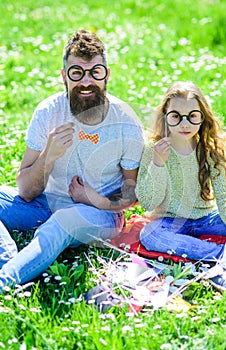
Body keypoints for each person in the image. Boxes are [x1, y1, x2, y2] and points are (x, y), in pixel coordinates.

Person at [0, 29, 144, 289]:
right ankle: (13, 263)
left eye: (95, 72)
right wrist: (49, 156)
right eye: (77, 73)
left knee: (62, 223)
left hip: (100, 214)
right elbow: (26, 191)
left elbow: (132, 193)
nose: (86, 82)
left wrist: (93, 198)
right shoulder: (48, 112)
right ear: (64, 76)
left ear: (106, 75)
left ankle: (4, 281)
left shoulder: (125, 122)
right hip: (48, 204)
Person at [135, 81, 226, 296]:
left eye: (192, 116)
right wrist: (158, 163)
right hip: (169, 221)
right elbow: (148, 201)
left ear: (203, 117)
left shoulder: (209, 149)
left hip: (206, 216)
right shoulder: (153, 148)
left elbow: (223, 193)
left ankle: (225, 270)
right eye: (176, 116)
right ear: (165, 116)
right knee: (150, 235)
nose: (184, 124)